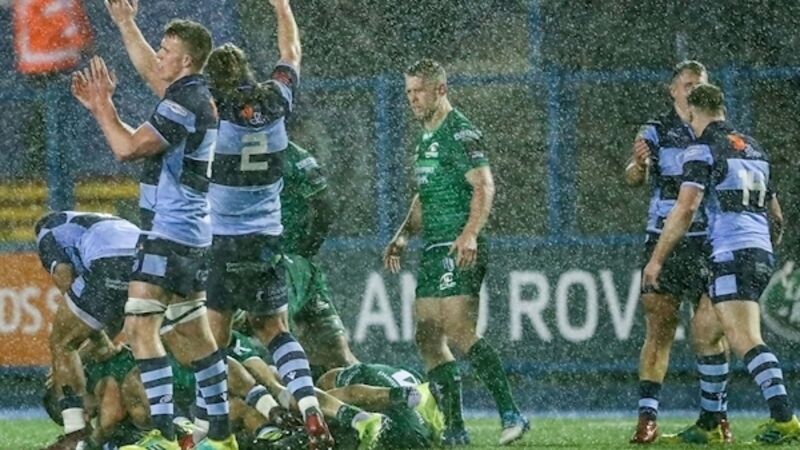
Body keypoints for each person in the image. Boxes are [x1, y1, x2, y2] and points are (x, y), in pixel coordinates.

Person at [72, 2, 235, 448]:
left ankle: (163, 431)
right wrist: (125, 23)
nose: (157, 56)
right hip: (192, 232)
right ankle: (222, 431)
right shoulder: (193, 94)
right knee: (194, 330)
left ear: (185, 61)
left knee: (141, 329)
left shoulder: (184, 103)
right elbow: (150, 72)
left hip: (168, 231)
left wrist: (102, 107)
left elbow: (126, 148)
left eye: (166, 51)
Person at [198, 0, 334, 447]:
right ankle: (309, 407)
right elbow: (291, 51)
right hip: (267, 241)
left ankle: (209, 429)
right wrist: (281, 7)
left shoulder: (211, 111)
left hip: (223, 241)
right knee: (275, 330)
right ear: (248, 72)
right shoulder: (276, 99)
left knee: (212, 342)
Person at [643, 83, 800, 445]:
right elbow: (776, 215)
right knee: (704, 332)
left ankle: (784, 417)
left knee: (744, 338)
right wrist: (762, 247)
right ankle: (710, 423)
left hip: (732, 253)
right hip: (756, 250)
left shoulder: (702, 148)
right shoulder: (752, 148)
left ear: (692, 112)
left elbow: (686, 208)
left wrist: (657, 259)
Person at [383, 58, 527, 446]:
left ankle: (511, 413)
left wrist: (470, 234)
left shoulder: (460, 131)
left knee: (458, 329)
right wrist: (403, 235)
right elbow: (425, 194)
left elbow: (484, 185)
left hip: (457, 244)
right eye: (408, 92)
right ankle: (456, 428)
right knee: (427, 336)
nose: (412, 99)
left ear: (441, 90)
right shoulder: (425, 137)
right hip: (433, 247)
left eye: (419, 91)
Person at [626, 60, 731, 444]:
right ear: (673, 90)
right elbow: (633, 176)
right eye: (686, 84)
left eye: (698, 84)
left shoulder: (715, 130)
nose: (692, 90)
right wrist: (639, 165)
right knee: (659, 327)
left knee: (709, 331)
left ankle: (715, 417)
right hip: (664, 239)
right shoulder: (656, 130)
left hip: (709, 240)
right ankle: (647, 418)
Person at [35, 211, 140, 450]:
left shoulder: (47, 233)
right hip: (149, 256)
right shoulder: (99, 220)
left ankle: (76, 433)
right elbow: (111, 322)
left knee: (61, 342)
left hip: (110, 260)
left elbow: (66, 282)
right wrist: (82, 356)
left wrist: (66, 360)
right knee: (155, 336)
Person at [281, 140, 358, 376]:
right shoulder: (296, 155)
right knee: (337, 353)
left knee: (275, 341)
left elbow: (325, 207)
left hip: (267, 263)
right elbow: (325, 207)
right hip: (295, 264)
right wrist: (306, 249)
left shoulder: (224, 151)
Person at [318, 362, 445, 449]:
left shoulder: (361, 373)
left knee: (318, 400)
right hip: (418, 434)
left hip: (403, 428)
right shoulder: (379, 374)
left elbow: (351, 393)